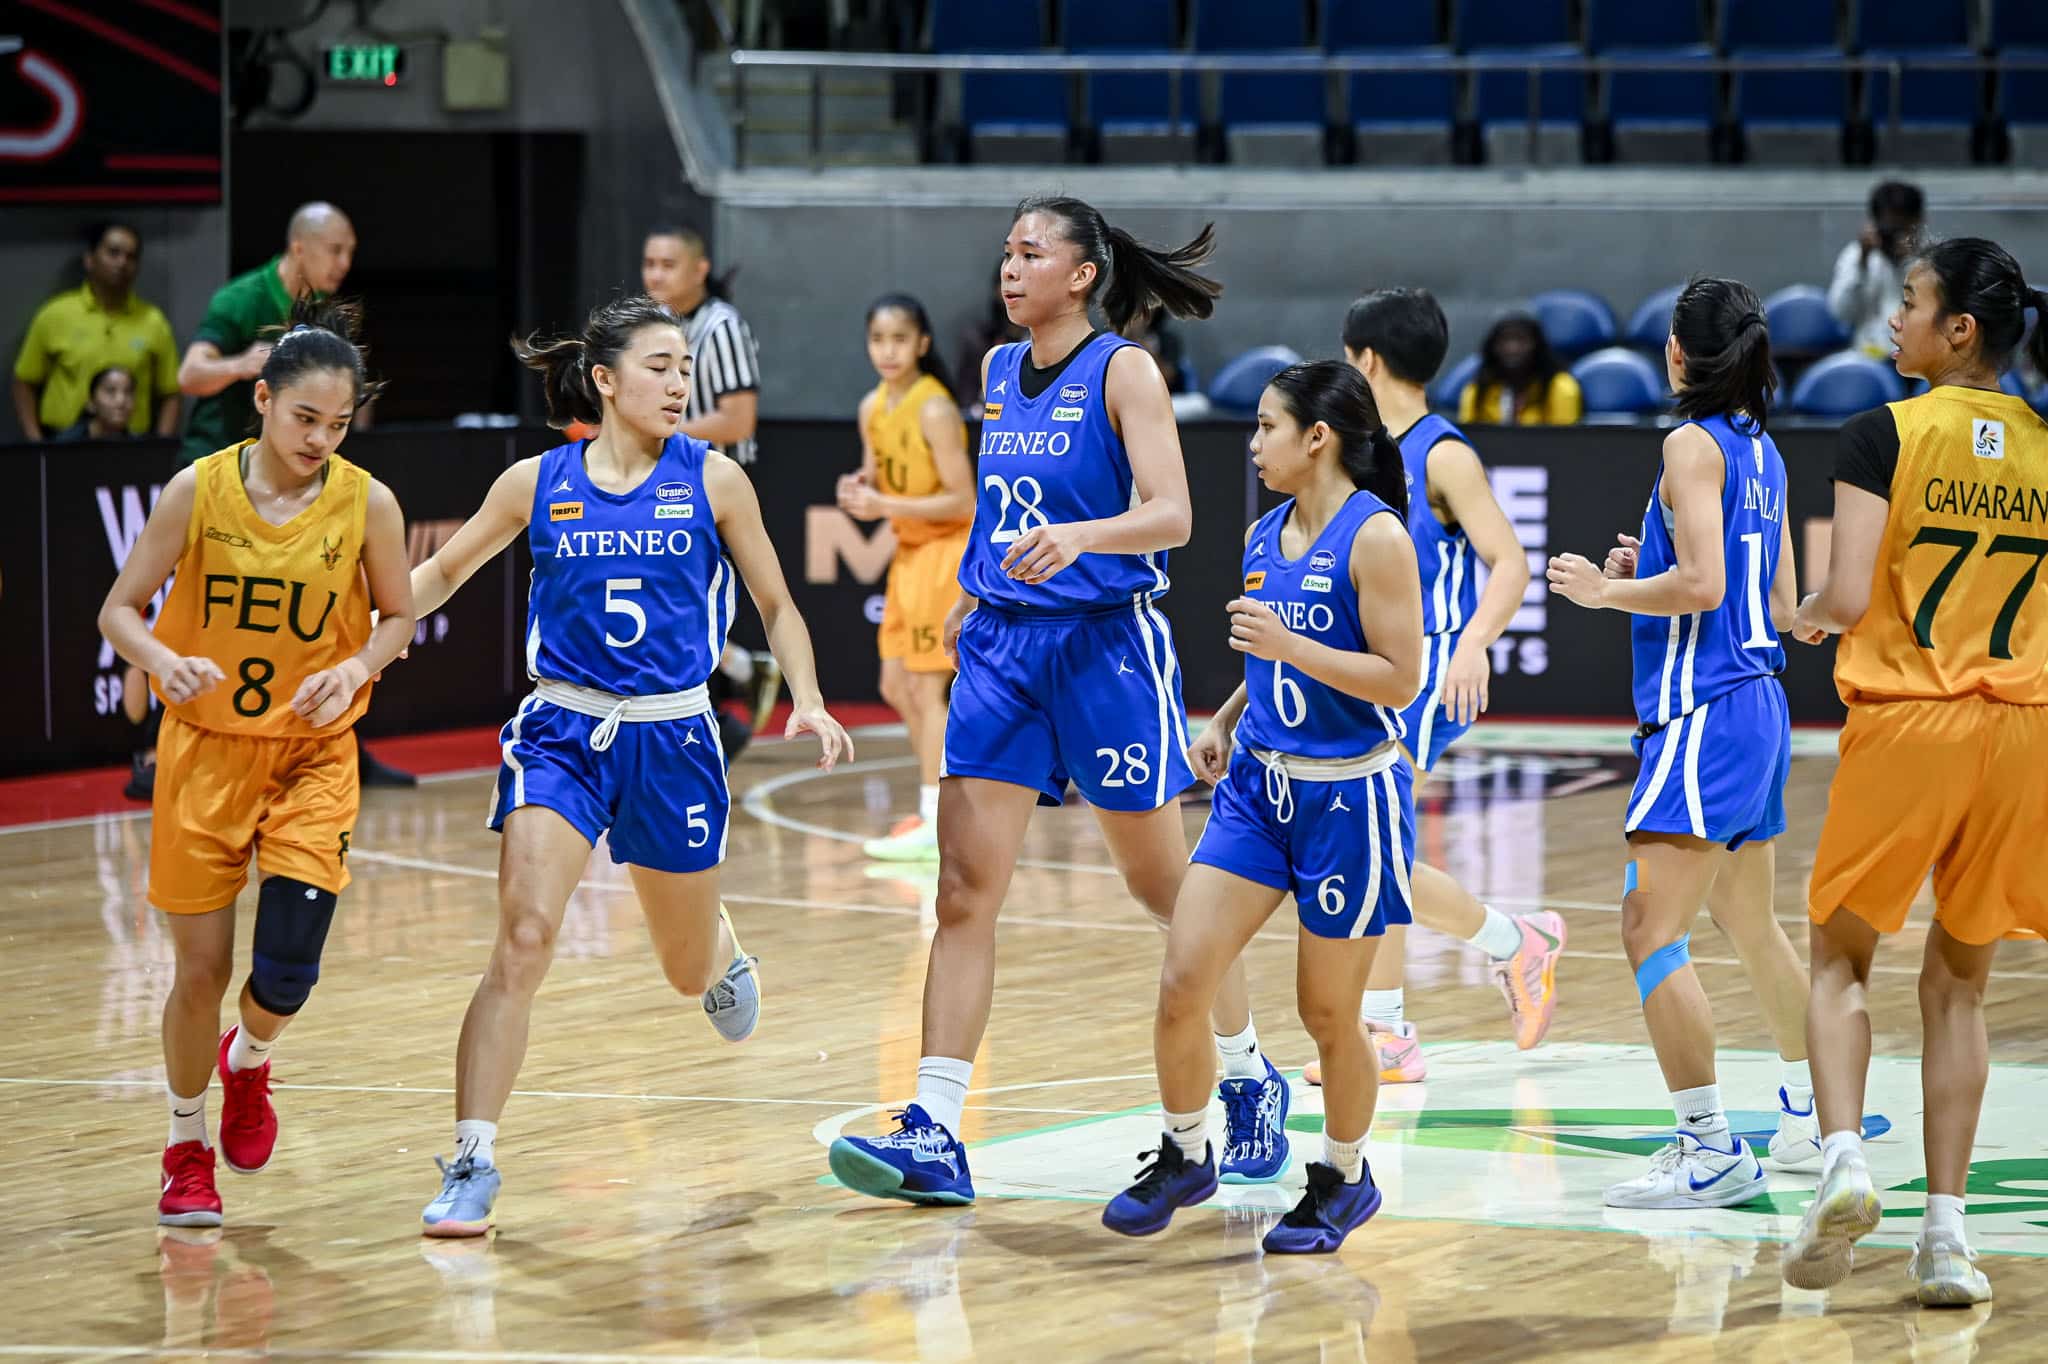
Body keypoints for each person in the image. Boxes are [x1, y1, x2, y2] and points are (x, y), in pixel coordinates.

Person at [828, 195, 1292, 1204]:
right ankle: (937, 1128)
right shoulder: (996, 372)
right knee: (961, 889)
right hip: (1000, 648)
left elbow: (1171, 514)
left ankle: (1250, 1071)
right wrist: (967, 592)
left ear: (1082, 274)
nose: (1009, 268)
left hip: (1102, 650)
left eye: (1030, 253)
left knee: (1168, 890)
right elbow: (1002, 507)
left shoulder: (1124, 370)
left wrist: (1083, 538)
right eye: (1004, 252)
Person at [408, 295, 852, 1237]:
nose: (679, 383)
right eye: (659, 366)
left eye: (685, 366)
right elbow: (439, 575)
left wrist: (806, 694)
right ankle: (472, 1159)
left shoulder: (717, 480)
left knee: (687, 973)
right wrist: (362, 635)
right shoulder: (537, 482)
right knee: (524, 938)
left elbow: (775, 606)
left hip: (673, 738)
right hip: (560, 732)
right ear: (605, 381)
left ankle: (721, 947)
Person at [95, 299, 416, 1228]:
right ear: (263, 402)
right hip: (203, 755)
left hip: (312, 756)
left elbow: (397, 618)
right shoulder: (198, 491)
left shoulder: (371, 504)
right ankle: (184, 1145)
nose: (320, 438)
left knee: (285, 972)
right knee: (199, 975)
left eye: (338, 423)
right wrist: (163, 660)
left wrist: (355, 664)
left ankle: (249, 1062)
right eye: (304, 417)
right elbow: (119, 610)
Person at [1100, 361, 1423, 1254]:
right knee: (1182, 977)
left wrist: (1287, 644)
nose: (1253, 443)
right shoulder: (1262, 533)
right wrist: (1228, 717)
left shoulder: (1377, 539)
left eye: (1268, 427)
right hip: (1256, 792)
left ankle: (1347, 1177)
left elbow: (1402, 677)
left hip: (1348, 800)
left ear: (1318, 438)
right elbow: (1269, 658)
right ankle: (1185, 1153)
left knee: (1327, 1017)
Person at [1782, 238, 2048, 1307]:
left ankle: (1843, 1157)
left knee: (1839, 958)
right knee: (1960, 982)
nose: (1893, 320)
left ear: (1958, 332)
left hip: (1910, 718)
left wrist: (1792, 615)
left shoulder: (1878, 430)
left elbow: (1844, 598)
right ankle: (1946, 1236)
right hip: (2021, 730)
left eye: (1909, 302)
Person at [1545, 278, 1815, 1210]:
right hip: (1759, 704)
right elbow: (1775, 605)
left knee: (1647, 928)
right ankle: (1816, 1115)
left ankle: (1709, 1148)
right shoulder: (1764, 450)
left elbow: (1702, 586)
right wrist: (1648, 566)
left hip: (1704, 716)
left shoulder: (1689, 444)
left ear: (1676, 354)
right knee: (1749, 921)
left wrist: (1604, 590)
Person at [1297, 288, 1559, 1089]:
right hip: (1364, 664)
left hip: (1422, 667)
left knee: (1375, 849)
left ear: (1367, 359)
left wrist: (1475, 646)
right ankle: (1501, 952)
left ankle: (1401, 1020)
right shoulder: (1356, 444)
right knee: (1380, 852)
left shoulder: (1443, 453)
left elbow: (1511, 562)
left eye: (1348, 357)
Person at [172, 202, 411, 794]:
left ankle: (337, 737)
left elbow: (400, 619)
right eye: (336, 250)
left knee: (330, 620)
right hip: (230, 481)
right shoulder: (240, 300)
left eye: (351, 252)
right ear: (299, 248)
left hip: (300, 485)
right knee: (202, 621)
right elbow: (189, 374)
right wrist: (238, 365)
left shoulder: (327, 320)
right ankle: (165, 741)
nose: (345, 263)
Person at [838, 294, 973, 861]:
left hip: (945, 549)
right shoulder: (873, 406)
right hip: (909, 553)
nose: (888, 350)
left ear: (922, 344)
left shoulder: (934, 407)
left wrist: (885, 501)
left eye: (900, 338)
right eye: (878, 339)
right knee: (895, 685)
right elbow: (872, 478)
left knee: (925, 687)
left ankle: (935, 819)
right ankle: (933, 812)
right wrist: (856, 491)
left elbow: (963, 498)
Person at [13, 221, 180, 440]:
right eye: (113, 253)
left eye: (131, 256)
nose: (122, 263)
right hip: (62, 444)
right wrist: (37, 445)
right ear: (90, 259)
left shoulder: (153, 321)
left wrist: (159, 448)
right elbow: (24, 381)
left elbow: (171, 392)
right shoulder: (55, 314)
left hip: (132, 446)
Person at [640, 223, 761, 464]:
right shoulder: (651, 323)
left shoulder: (723, 326)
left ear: (700, 270)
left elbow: (738, 423)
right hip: (667, 470)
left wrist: (654, 430)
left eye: (668, 265)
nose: (655, 276)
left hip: (718, 475)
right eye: (649, 264)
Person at [1827, 180, 1927, 359]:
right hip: (1868, 355)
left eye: (1901, 228)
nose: (1895, 236)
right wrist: (1862, 264)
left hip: (1920, 358)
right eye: (1890, 228)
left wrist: (1910, 264)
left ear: (1917, 222)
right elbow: (1840, 313)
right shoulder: (1855, 256)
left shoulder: (1931, 261)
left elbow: (1937, 317)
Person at [1458, 313, 1583, 426]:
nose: (1512, 348)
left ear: (1537, 346)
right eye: (1504, 341)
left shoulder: (1561, 387)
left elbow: (1565, 442)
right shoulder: (1477, 390)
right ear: (1492, 348)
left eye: (1521, 340)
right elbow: (1466, 437)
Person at [53, 366, 142, 442]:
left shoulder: (140, 446)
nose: (121, 400)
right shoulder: (66, 443)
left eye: (128, 392)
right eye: (110, 391)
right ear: (91, 402)